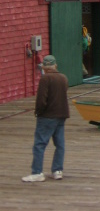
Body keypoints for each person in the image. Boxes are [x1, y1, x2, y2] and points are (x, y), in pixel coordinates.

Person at [22, 55, 69, 183]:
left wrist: (38, 112)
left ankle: (37, 172)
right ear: (55, 66)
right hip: (62, 115)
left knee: (39, 144)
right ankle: (57, 171)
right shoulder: (63, 78)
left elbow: (41, 100)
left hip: (47, 116)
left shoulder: (45, 79)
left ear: (44, 67)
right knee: (60, 144)